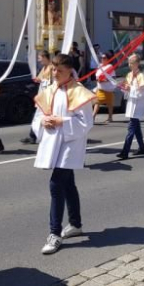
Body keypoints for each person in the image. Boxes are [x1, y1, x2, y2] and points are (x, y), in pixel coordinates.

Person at [32, 54, 96, 255]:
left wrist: (62, 121)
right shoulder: (49, 90)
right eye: (53, 69)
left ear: (70, 70)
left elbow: (86, 123)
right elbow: (39, 115)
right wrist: (42, 122)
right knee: (68, 183)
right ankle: (75, 224)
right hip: (54, 142)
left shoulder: (80, 92)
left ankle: (55, 233)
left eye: (59, 70)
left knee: (56, 183)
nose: (55, 73)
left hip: (71, 144)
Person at [116, 54, 144, 159]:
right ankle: (142, 148)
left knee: (131, 128)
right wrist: (123, 87)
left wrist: (131, 89)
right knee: (136, 128)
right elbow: (127, 90)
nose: (130, 65)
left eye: (132, 62)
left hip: (138, 105)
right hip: (131, 104)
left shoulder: (141, 76)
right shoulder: (129, 75)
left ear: (137, 63)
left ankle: (125, 151)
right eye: (129, 62)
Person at [22, 51, 53, 145]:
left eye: (40, 58)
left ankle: (36, 136)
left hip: (48, 96)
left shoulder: (52, 68)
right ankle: (33, 135)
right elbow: (41, 79)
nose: (39, 61)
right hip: (42, 95)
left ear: (44, 57)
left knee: (41, 116)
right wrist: (38, 80)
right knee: (37, 116)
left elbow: (51, 81)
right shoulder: (44, 68)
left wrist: (41, 80)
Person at [93, 54, 116, 123]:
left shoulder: (110, 67)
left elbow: (113, 78)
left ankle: (110, 117)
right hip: (100, 89)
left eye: (104, 58)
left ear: (108, 59)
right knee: (97, 102)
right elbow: (97, 76)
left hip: (108, 89)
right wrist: (98, 80)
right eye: (101, 58)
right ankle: (93, 116)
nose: (102, 59)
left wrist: (104, 81)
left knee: (109, 104)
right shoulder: (99, 67)